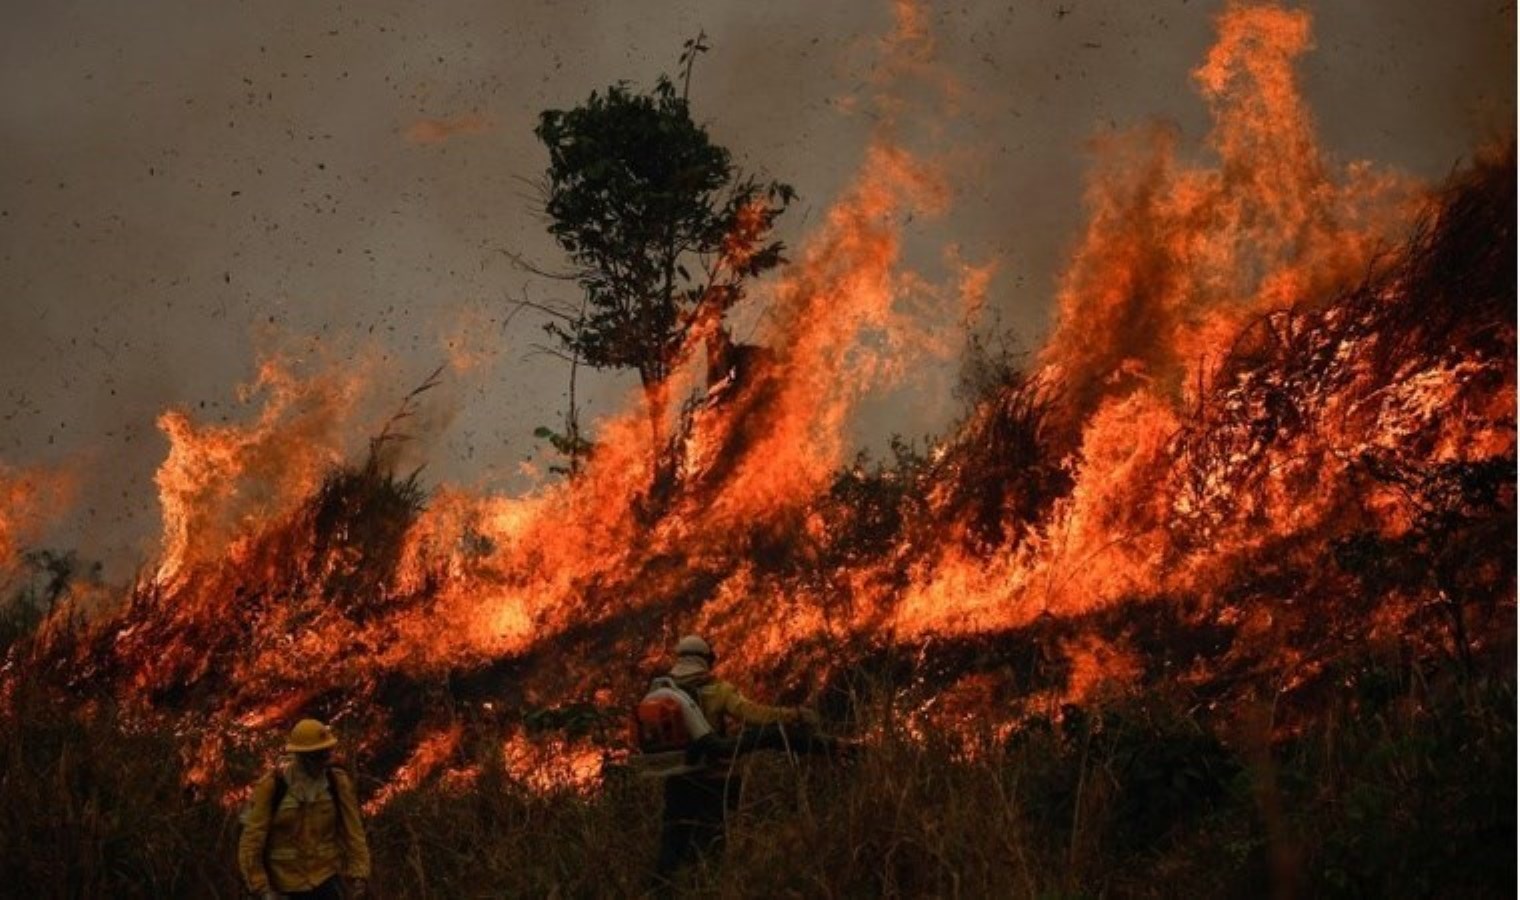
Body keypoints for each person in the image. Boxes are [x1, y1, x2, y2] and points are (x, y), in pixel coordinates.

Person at [652, 634, 820, 883]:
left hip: (676, 777)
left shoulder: (661, 690)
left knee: (673, 838)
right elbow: (753, 715)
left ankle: (663, 888)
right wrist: (793, 715)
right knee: (711, 842)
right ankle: (708, 887)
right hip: (713, 778)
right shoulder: (717, 689)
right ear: (706, 659)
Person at [238, 718, 372, 899]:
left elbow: (354, 833)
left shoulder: (337, 783)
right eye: (317, 756)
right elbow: (251, 842)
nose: (324, 761)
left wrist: (359, 877)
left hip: (326, 881)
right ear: (300, 756)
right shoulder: (272, 787)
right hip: (284, 887)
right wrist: (262, 889)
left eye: (326, 754)